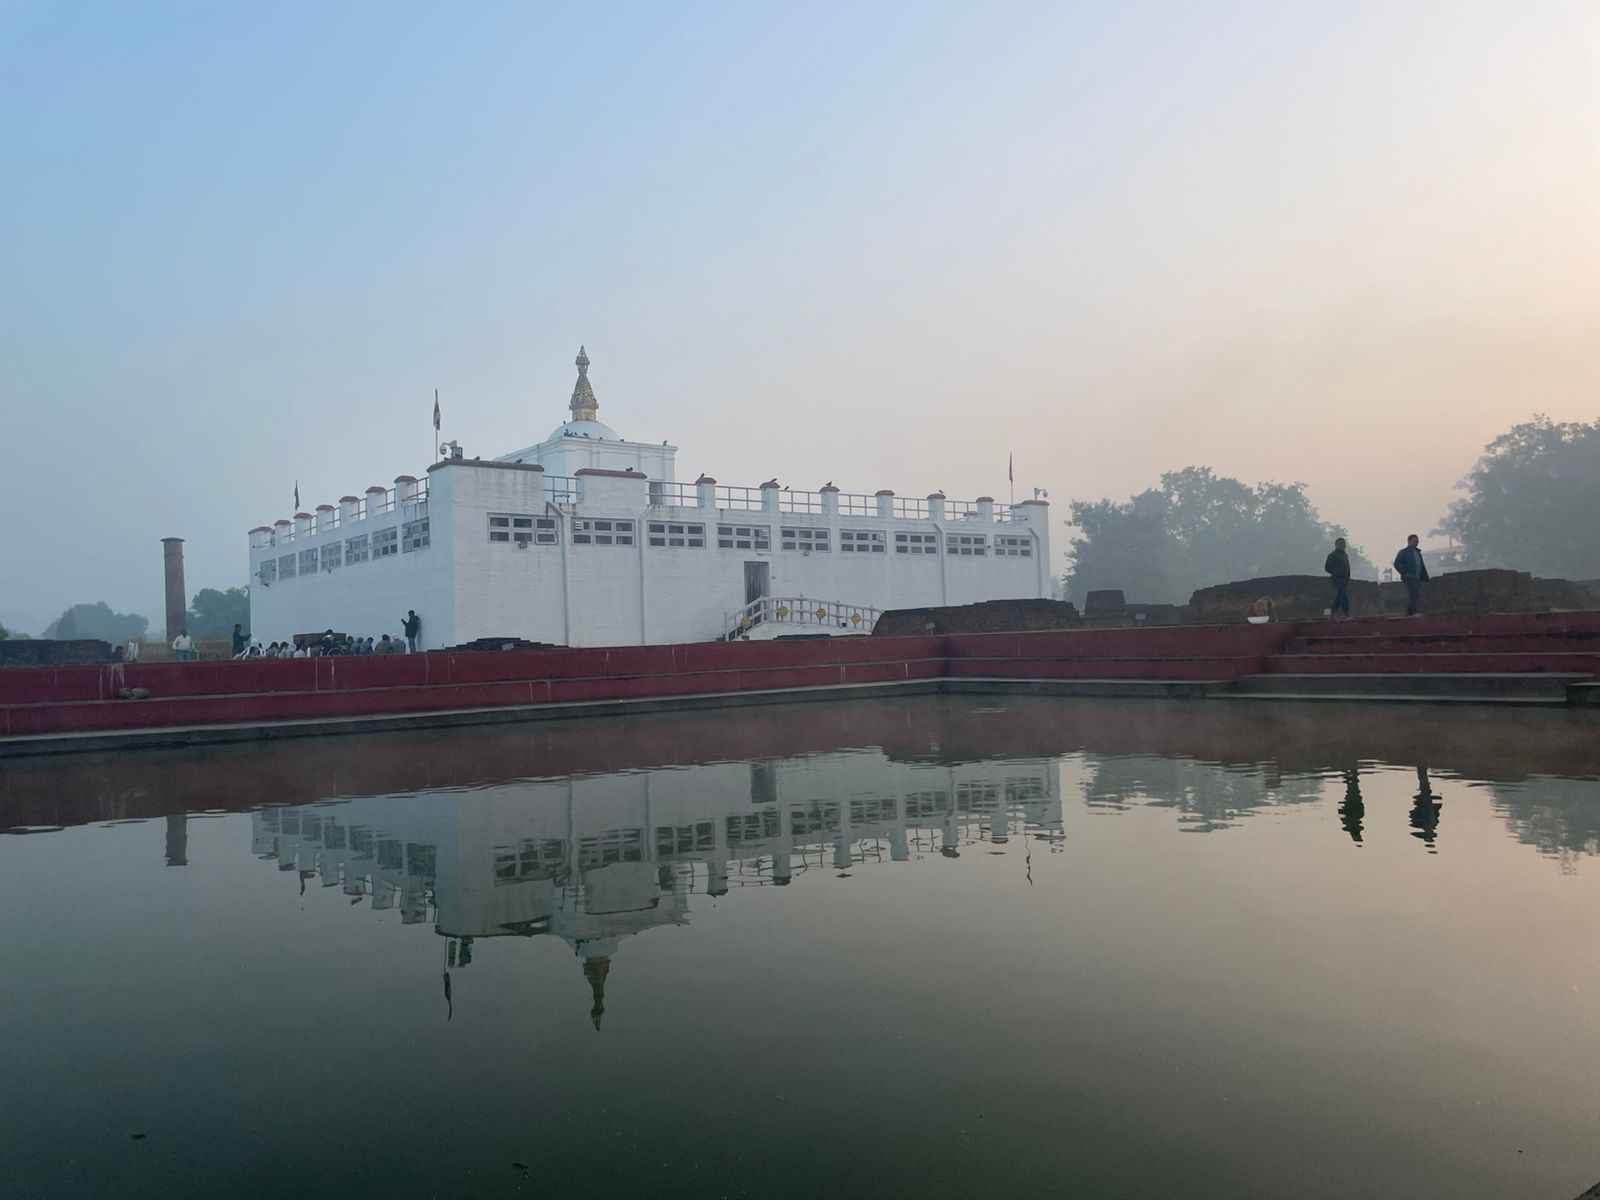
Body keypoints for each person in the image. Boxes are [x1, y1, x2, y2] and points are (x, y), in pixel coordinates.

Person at [1392, 533, 1429, 616]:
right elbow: (1397, 563)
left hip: (1417, 577)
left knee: (1415, 594)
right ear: (1409, 541)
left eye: (1417, 541)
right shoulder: (1403, 552)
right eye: (1415, 540)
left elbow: (1421, 566)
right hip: (1408, 577)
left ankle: (1410, 612)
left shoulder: (1418, 553)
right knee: (1414, 592)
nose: (1417, 542)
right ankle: (1413, 611)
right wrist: (1404, 572)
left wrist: (1425, 578)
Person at [1324, 537, 1352, 618]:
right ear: (1336, 545)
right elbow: (1327, 568)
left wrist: (1347, 576)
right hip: (1337, 579)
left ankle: (1332, 612)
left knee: (1339, 597)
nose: (1342, 545)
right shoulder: (1332, 555)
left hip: (1345, 579)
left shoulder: (1345, 555)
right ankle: (1346, 611)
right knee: (1342, 595)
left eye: (1344, 544)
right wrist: (1336, 573)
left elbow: (1347, 567)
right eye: (1340, 544)